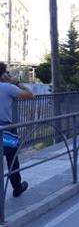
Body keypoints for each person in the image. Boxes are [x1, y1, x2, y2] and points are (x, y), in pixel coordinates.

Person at [0, 62, 33, 197]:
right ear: (3, 74)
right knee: (12, 158)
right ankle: (17, 188)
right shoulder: (8, 88)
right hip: (6, 129)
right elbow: (30, 95)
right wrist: (16, 82)